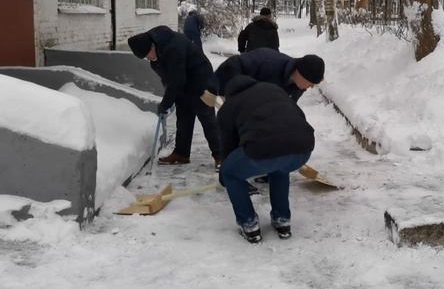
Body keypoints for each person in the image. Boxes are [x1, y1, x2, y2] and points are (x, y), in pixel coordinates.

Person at [217, 75, 315, 243]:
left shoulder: (229, 106)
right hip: (303, 147)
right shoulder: (273, 89)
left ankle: (249, 224)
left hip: (264, 148)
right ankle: (282, 219)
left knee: (230, 172)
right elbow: (297, 114)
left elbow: (228, 148)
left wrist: (226, 177)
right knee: (279, 167)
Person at [127, 25, 222, 167]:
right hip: (184, 84)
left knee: (207, 119)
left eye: (148, 54)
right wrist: (170, 96)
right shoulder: (158, 50)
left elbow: (176, 80)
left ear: (152, 46)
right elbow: (168, 78)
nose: (148, 58)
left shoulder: (173, 48)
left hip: (202, 82)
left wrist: (166, 103)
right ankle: (182, 154)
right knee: (183, 118)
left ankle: (221, 156)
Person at [214, 47, 325, 102]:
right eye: (311, 83)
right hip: (239, 102)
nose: (311, 87)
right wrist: (224, 93)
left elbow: (287, 108)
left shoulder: (298, 87)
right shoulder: (268, 61)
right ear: (301, 73)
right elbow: (233, 63)